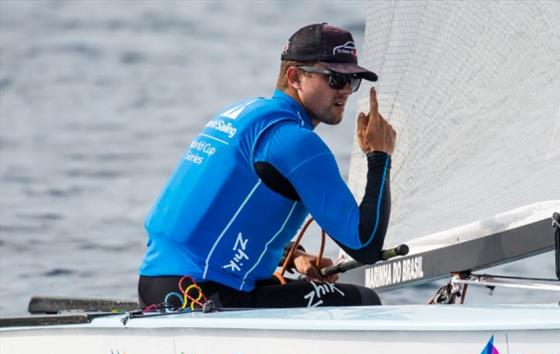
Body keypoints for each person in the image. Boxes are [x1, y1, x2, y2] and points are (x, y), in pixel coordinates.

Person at [138, 23, 396, 309]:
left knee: (297, 287)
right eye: (335, 79)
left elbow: (224, 213)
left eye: (353, 81)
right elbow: (366, 245)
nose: (346, 90)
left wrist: (294, 253)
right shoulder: (297, 142)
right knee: (364, 300)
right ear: (295, 76)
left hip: (160, 286)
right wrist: (379, 156)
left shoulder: (242, 115)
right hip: (204, 295)